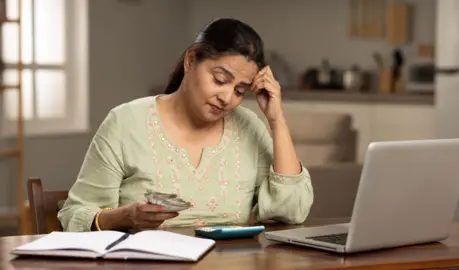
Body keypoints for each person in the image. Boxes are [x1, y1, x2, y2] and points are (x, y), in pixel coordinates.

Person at [58, 18, 314, 232]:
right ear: (191, 60)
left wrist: (276, 119)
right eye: (219, 79)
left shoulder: (249, 127)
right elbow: (75, 215)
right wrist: (125, 217)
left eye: (240, 90)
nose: (227, 98)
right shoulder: (125, 123)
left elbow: (291, 211)